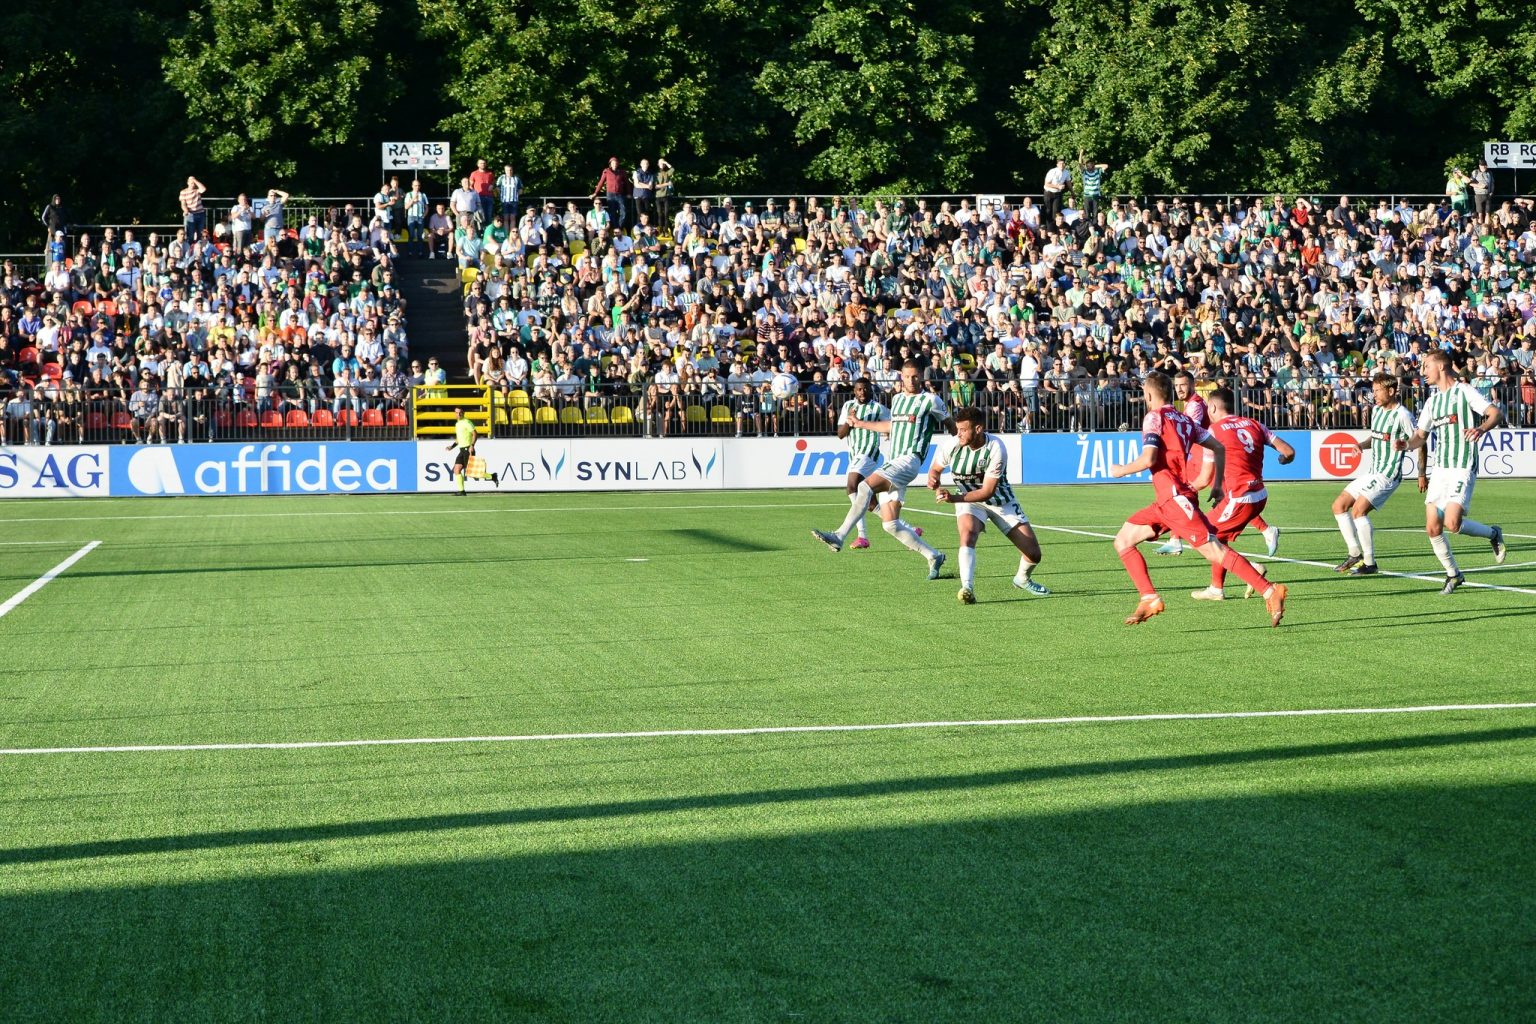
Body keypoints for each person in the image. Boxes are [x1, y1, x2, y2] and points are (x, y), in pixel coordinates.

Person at [1108, 371, 1287, 626]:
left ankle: (1269, 590)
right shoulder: (1185, 419)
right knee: (1124, 540)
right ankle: (1149, 597)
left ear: (1148, 394)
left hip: (1174, 498)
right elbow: (1217, 446)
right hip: (1169, 500)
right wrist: (1215, 484)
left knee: (1214, 549)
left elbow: (1148, 458)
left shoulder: (1154, 417)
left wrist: (1120, 470)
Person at [812, 359, 951, 581]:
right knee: (890, 524)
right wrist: (859, 423)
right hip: (895, 460)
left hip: (909, 460)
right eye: (907, 376)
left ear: (921, 377)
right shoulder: (897, 400)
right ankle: (933, 556)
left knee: (864, 486)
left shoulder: (930, 400)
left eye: (915, 376)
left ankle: (839, 535)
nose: (911, 380)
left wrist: (948, 461)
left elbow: (954, 429)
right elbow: (891, 427)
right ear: (902, 377)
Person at [1399, 351, 1507, 594]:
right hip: (1441, 469)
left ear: (1441, 367)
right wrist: (1405, 445)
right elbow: (1420, 436)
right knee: (1432, 528)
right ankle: (1453, 574)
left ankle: (1493, 533)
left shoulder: (1464, 391)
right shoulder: (1432, 402)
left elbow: (1495, 413)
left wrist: (1481, 428)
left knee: (1451, 523)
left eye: (1427, 367)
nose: (1423, 372)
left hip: (1462, 465)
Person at [929, 405, 1050, 603]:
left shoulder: (996, 448)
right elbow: (935, 470)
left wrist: (954, 498)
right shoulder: (952, 445)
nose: (957, 434)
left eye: (963, 430)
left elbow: (987, 491)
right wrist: (935, 484)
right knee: (967, 534)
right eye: (957, 429)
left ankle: (1022, 579)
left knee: (1033, 554)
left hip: (1000, 501)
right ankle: (967, 587)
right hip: (969, 501)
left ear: (978, 429)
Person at [1188, 387, 1296, 601]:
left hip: (1240, 498)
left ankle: (1252, 572)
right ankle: (1216, 588)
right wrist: (1283, 460)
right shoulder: (1255, 424)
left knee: (1203, 534)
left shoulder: (1214, 433)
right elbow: (1288, 452)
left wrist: (1182, 491)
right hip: (1260, 496)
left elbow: (1203, 479)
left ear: (1212, 407)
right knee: (1218, 536)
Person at [1332, 373, 1419, 575]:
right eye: (1373, 391)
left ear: (1391, 391)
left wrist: (1422, 473)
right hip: (1373, 472)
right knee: (1339, 505)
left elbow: (1419, 440)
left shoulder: (1403, 415)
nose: (1374, 395)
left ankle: (1370, 563)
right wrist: (1362, 445)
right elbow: (1377, 437)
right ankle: (1354, 553)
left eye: (1377, 391)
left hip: (1389, 474)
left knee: (1358, 511)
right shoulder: (1377, 411)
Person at [835, 377, 889, 550]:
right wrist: (850, 422)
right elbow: (841, 434)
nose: (862, 392)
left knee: (851, 486)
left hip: (869, 452)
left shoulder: (878, 408)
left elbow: (895, 423)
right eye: (859, 389)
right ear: (854, 391)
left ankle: (860, 535)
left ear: (870, 390)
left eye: (865, 389)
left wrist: (889, 432)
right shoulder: (848, 407)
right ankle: (909, 530)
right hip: (855, 454)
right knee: (871, 503)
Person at [446, 407, 501, 495]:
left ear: (463, 413)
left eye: (460, 412)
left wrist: (472, 445)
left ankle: (492, 476)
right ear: (454, 413)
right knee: (457, 470)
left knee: (473, 473)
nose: (458, 414)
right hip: (462, 450)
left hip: (468, 449)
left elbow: (475, 433)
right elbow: (459, 438)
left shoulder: (467, 422)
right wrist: (452, 447)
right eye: (456, 412)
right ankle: (461, 491)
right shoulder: (458, 424)